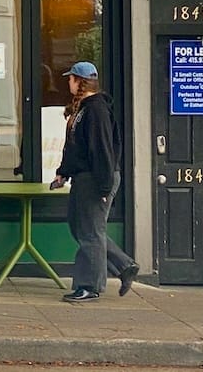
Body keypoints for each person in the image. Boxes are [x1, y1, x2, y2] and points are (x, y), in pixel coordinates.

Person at [53, 61, 139, 303]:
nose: (68, 82)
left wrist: (104, 186)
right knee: (81, 227)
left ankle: (89, 285)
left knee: (90, 231)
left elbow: (102, 150)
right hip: (85, 177)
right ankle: (124, 265)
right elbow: (75, 147)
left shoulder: (96, 109)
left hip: (96, 178)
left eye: (70, 78)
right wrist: (63, 171)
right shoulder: (83, 108)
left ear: (80, 82)